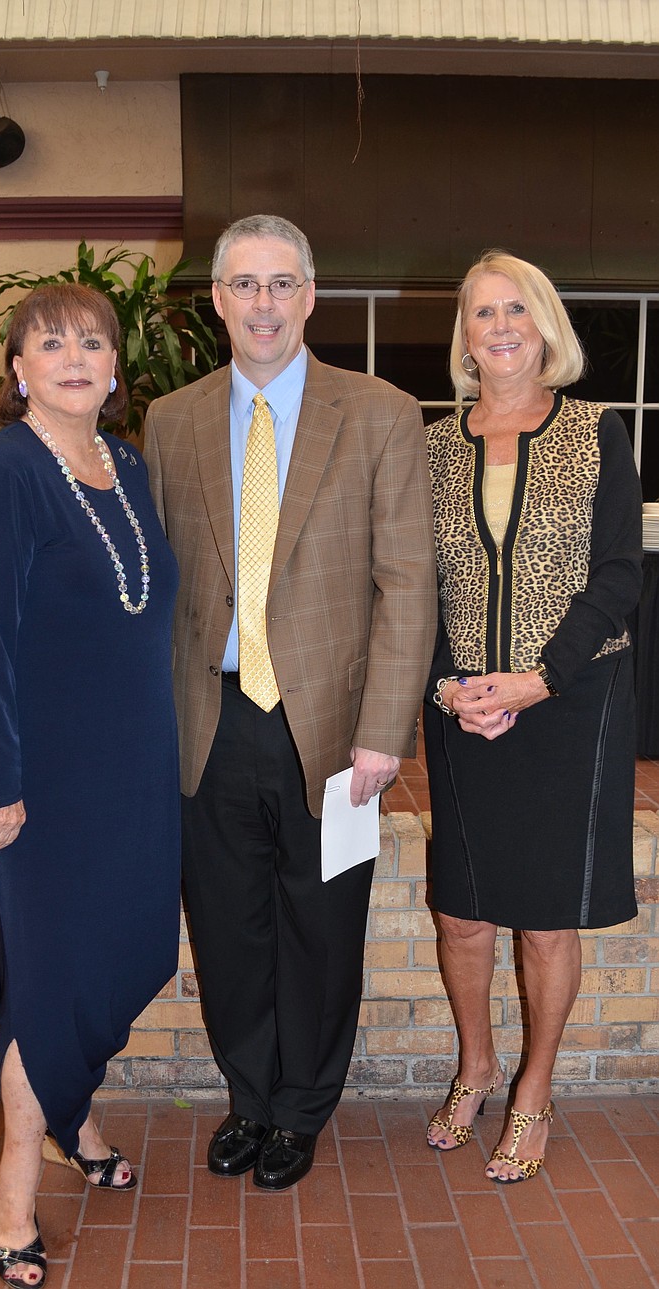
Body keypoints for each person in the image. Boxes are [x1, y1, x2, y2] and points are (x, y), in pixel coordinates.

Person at [144, 214, 436, 1190]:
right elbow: (158, 583)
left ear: (309, 296)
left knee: (323, 925)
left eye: (280, 284)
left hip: (338, 738)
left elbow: (407, 584)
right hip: (208, 723)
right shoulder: (170, 420)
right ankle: (250, 1099)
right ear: (217, 299)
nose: (261, 303)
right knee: (227, 925)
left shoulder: (382, 412)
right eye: (242, 284)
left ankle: (302, 1108)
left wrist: (383, 735)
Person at [0, 283, 180, 1286]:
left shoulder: (122, 465)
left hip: (128, 768)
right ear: (19, 370)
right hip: (34, 781)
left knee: (125, 958)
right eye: (50, 342)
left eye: (92, 340)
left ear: (115, 368)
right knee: (51, 982)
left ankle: (73, 1121)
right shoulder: (3, 471)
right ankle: (12, 1191)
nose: (74, 355)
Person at [424, 251, 642, 1184]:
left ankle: (534, 1089)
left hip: (572, 706)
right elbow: (411, 580)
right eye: (482, 313)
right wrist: (448, 683)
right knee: (462, 913)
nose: (500, 326)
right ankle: (475, 1065)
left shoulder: (598, 432)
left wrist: (537, 679)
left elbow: (620, 577)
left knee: (547, 920)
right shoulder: (432, 444)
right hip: (460, 706)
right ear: (465, 336)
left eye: (517, 308)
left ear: (546, 326)